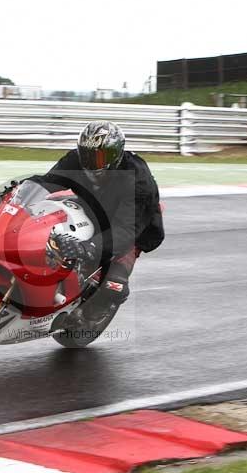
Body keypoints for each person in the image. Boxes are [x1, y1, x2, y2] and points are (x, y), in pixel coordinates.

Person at [30, 121, 165, 327]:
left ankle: (90, 315)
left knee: (114, 283)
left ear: (117, 155)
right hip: (92, 209)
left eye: (101, 157)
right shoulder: (75, 160)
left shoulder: (138, 178)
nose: (93, 162)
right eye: (87, 155)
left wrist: (90, 246)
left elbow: (126, 229)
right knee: (46, 212)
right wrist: (18, 192)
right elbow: (49, 181)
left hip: (133, 226)